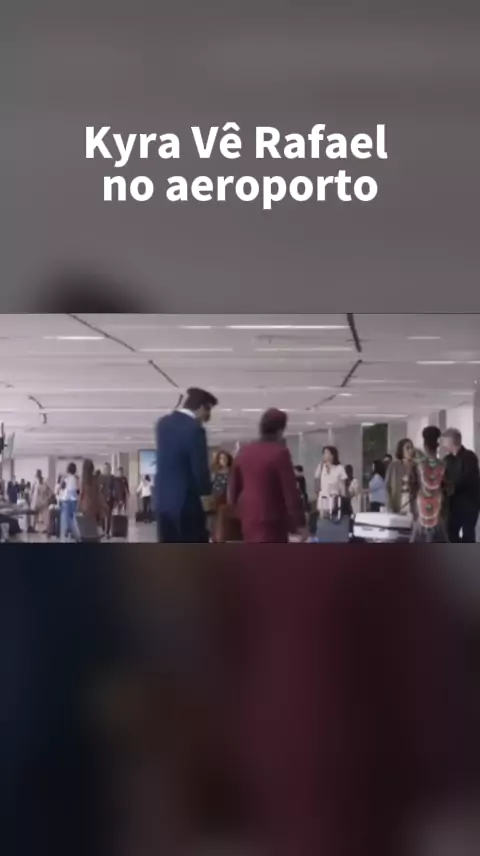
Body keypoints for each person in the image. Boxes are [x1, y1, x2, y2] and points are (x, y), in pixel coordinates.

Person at [229, 408, 307, 543]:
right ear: (280, 430)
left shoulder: (244, 451)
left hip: (249, 519)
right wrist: (300, 523)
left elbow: (234, 487)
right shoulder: (280, 453)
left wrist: (237, 511)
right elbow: (290, 492)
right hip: (273, 520)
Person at [155, 387, 217, 542]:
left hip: (163, 504)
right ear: (202, 407)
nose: (207, 417)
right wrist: (209, 509)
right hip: (188, 506)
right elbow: (200, 472)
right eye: (208, 411)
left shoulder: (162, 424)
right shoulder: (195, 429)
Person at [411, 426, 449, 542]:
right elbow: (448, 488)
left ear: (424, 445)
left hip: (420, 511)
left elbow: (412, 486)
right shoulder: (444, 465)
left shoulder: (417, 465)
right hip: (439, 510)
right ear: (437, 445)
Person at [442, 427, 480, 543]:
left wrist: (451, 486)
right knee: (450, 533)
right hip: (453, 505)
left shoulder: (469, 457)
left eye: (444, 441)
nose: (443, 445)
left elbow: (467, 477)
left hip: (469, 504)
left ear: (451, 441)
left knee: (468, 535)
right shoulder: (447, 459)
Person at [385, 438, 417, 515]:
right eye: (407, 448)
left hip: (412, 504)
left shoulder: (416, 467)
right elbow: (387, 486)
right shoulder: (393, 466)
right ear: (401, 450)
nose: (410, 450)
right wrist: (389, 505)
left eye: (411, 447)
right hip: (397, 502)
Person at [78, 459, 108, 539]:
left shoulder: (83, 480)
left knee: (86, 527)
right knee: (94, 525)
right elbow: (99, 493)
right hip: (94, 505)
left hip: (85, 505)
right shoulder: (95, 479)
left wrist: (79, 506)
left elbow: (81, 494)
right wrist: (103, 505)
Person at [314, 446, 347, 518]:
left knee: (335, 517)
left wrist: (343, 499)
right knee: (323, 518)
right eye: (324, 453)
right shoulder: (321, 467)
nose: (325, 455)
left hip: (335, 498)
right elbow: (316, 482)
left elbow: (342, 486)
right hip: (323, 499)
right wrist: (318, 494)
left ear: (332, 455)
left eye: (327, 453)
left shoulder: (339, 468)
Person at [61, 462, 79, 540]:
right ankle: (71, 532)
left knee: (66, 517)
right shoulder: (76, 479)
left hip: (66, 499)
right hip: (73, 499)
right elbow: (77, 490)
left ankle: (67, 531)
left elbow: (62, 487)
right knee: (72, 517)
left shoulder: (66, 478)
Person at [99, 462, 116, 538]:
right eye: (105, 468)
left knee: (108, 516)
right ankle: (103, 530)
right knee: (102, 515)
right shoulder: (100, 477)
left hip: (110, 499)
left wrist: (114, 497)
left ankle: (107, 532)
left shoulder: (112, 478)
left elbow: (114, 488)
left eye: (107, 468)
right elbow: (99, 488)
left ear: (110, 469)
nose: (106, 469)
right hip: (102, 499)